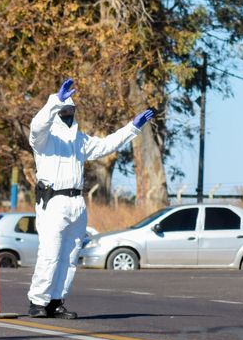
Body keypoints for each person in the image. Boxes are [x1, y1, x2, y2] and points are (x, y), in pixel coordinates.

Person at [27, 78, 154, 318]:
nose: (67, 114)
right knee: (50, 254)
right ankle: (37, 301)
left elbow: (106, 145)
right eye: (63, 110)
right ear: (56, 112)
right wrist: (54, 101)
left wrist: (132, 128)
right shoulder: (44, 139)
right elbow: (37, 126)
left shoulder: (80, 140)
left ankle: (56, 301)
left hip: (77, 201)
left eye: (70, 110)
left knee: (70, 256)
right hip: (53, 201)